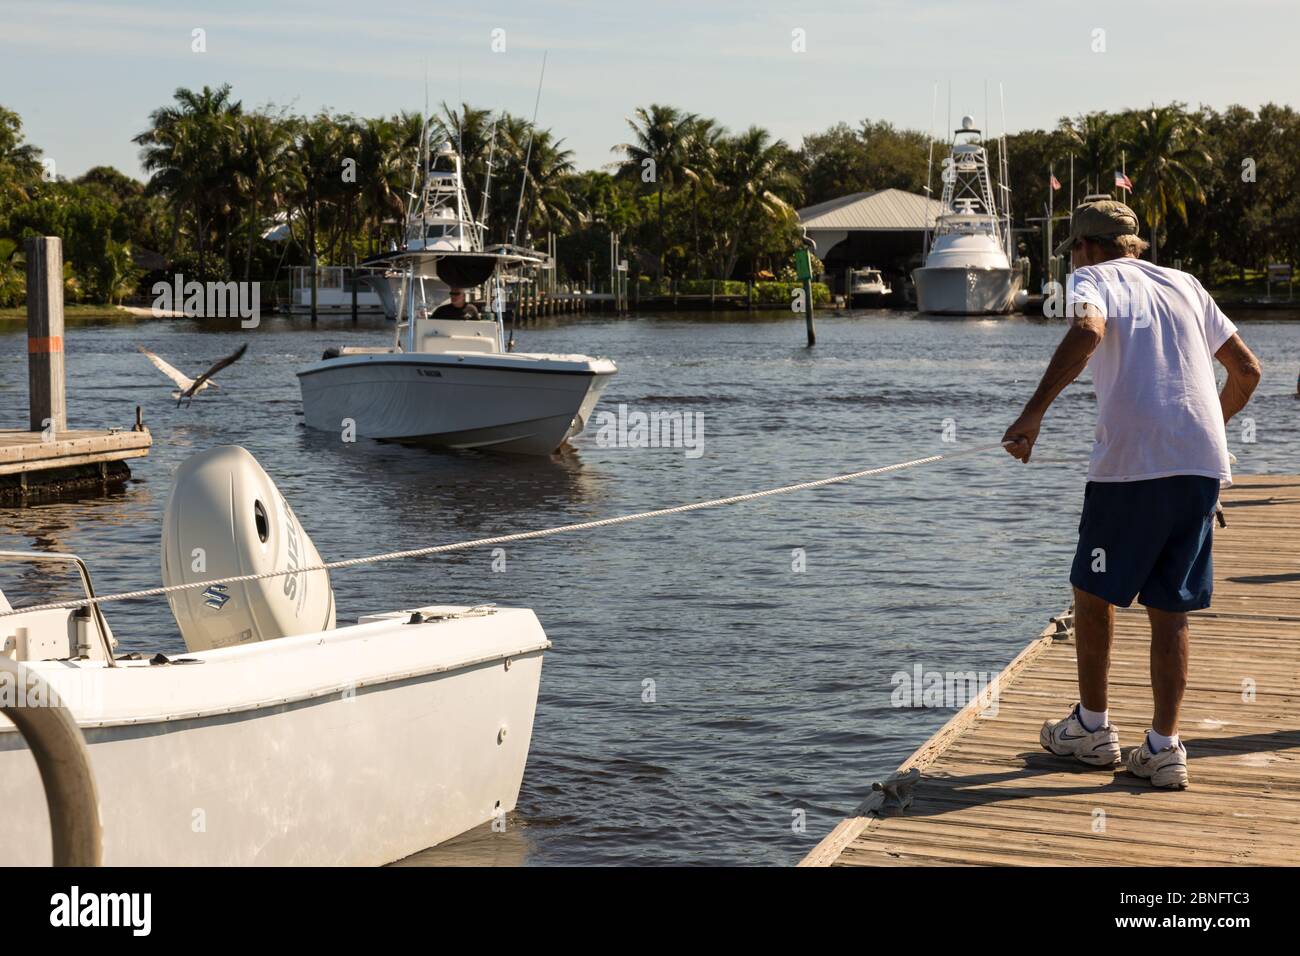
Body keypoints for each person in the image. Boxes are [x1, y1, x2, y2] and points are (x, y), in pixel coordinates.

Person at [1002, 198, 1261, 789]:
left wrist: (1032, 414)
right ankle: (1164, 749)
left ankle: (1092, 730)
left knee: (1093, 593)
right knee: (1170, 609)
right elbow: (1247, 371)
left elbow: (1088, 330)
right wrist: (1204, 431)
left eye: (1073, 250)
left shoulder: (1093, 279)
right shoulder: (1186, 284)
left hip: (1130, 471)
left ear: (1086, 248)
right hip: (1199, 468)